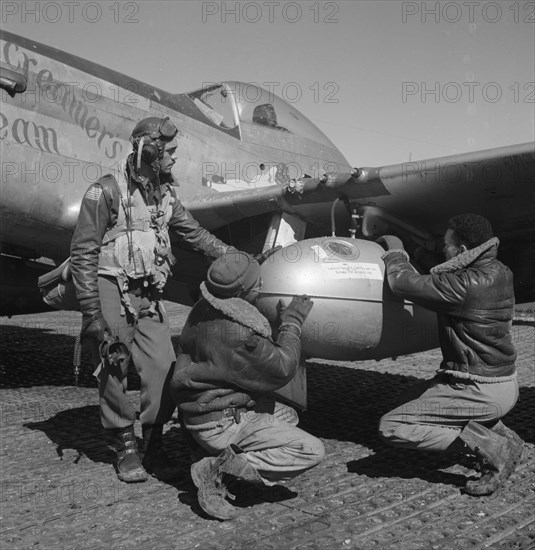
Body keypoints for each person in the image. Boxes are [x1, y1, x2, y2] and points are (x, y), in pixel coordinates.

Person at [70, 116, 238, 483]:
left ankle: (155, 446)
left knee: (164, 367)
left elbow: (196, 235)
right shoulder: (105, 191)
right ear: (152, 149)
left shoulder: (166, 196)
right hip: (111, 287)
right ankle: (125, 447)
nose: (176, 159)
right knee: (114, 364)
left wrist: (232, 255)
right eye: (171, 151)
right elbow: (82, 253)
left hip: (149, 292)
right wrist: (92, 315)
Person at [170, 251, 325, 520]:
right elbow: (282, 368)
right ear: (246, 292)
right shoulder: (241, 333)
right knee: (311, 450)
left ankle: (203, 450)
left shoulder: (203, 306)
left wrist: (257, 261)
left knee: (288, 416)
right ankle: (217, 471)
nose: (262, 286)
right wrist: (292, 323)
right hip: (220, 423)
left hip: (197, 410)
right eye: (258, 283)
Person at [378, 213, 523, 496]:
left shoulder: (463, 286)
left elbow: (401, 283)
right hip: (504, 383)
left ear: (463, 251)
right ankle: (497, 431)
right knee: (404, 400)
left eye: (447, 245)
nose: (443, 249)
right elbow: (448, 274)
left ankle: (493, 449)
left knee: (392, 425)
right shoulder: (501, 271)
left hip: (479, 389)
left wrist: (395, 250)